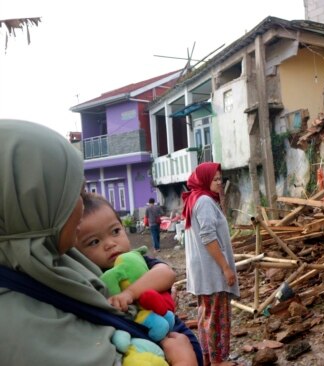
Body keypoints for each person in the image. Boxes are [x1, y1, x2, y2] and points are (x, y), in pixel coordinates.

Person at [0, 119, 197, 366]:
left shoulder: (58, 262)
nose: (82, 206)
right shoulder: (20, 332)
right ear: (30, 208)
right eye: (72, 194)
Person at [75, 192, 202, 364]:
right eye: (94, 242)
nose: (110, 243)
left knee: (193, 349)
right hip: (137, 342)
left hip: (170, 330)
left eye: (115, 231)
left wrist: (130, 293)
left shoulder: (135, 260)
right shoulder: (92, 277)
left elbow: (167, 273)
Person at [182, 162, 240, 366]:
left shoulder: (195, 199)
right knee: (216, 315)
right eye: (214, 179)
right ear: (204, 179)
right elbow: (208, 237)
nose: (219, 183)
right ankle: (217, 360)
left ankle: (208, 358)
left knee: (206, 314)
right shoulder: (205, 201)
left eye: (220, 179)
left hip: (203, 271)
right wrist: (225, 267)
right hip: (212, 270)